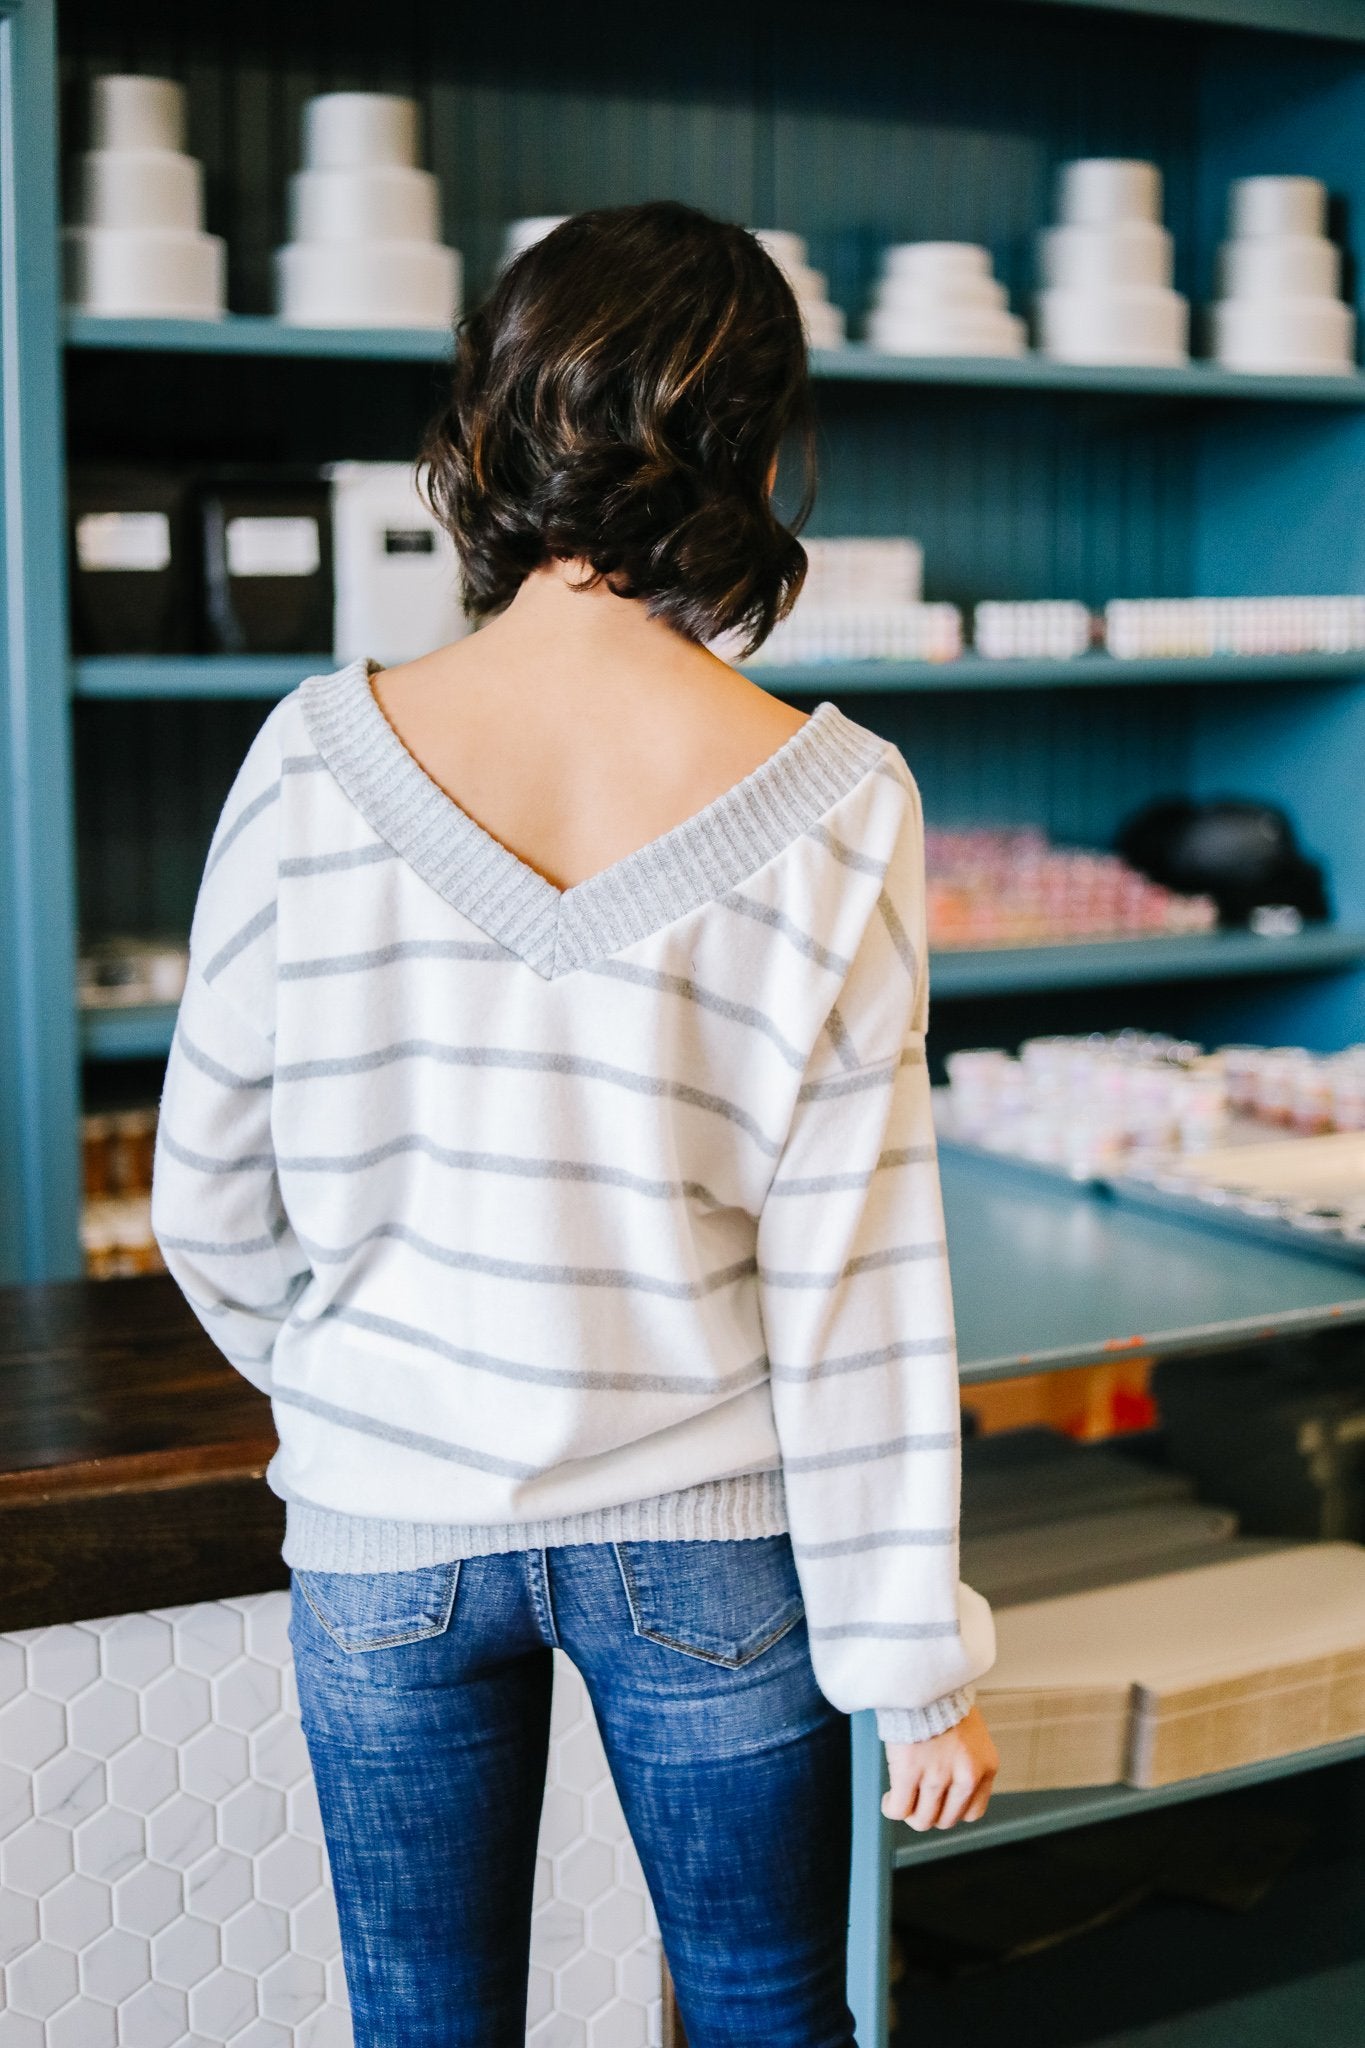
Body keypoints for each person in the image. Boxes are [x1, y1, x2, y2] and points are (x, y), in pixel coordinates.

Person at [150, 199, 998, 2048]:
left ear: (495, 421)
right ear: (756, 449)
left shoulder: (310, 758)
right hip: (709, 1542)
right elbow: (857, 1290)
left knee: (421, 2024)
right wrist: (913, 1669)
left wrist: (377, 1385)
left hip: (383, 1534)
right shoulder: (838, 801)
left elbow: (203, 1199)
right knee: (766, 2018)